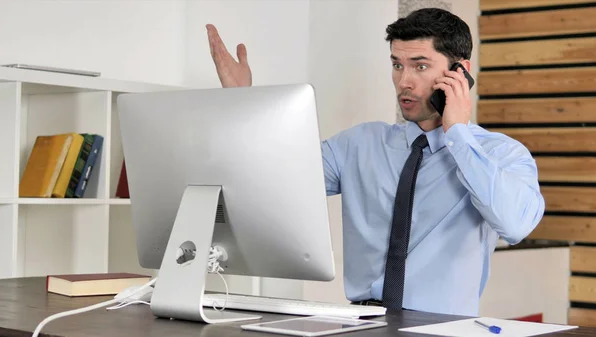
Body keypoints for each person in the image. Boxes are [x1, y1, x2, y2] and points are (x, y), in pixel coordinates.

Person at [205, 7, 545, 316]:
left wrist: (457, 133)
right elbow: (273, 178)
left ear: (460, 72)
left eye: (420, 66)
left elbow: (514, 224)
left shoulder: (501, 155)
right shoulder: (358, 144)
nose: (404, 81)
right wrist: (243, 102)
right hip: (360, 321)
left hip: (445, 327)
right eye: (397, 65)